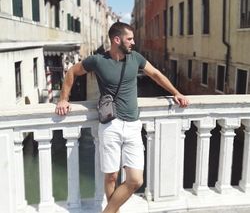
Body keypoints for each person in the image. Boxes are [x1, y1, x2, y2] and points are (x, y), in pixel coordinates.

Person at [55, 22, 189, 213]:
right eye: (129, 39)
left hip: (133, 125)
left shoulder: (136, 58)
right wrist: (63, 99)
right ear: (117, 40)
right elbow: (72, 72)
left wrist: (176, 92)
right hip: (111, 125)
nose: (133, 42)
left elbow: (156, 75)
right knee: (111, 176)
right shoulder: (98, 60)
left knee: (135, 180)